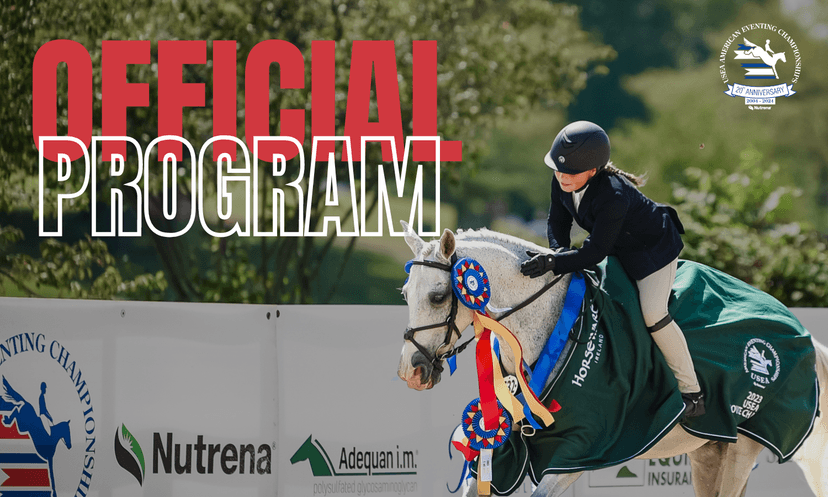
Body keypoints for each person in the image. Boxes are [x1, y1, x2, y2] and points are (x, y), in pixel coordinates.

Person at [520, 120, 704, 418]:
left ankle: (692, 392)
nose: (562, 176)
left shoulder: (613, 195)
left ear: (593, 170)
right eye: (558, 169)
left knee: (653, 314)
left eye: (570, 172)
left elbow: (595, 252)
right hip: (616, 246)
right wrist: (557, 252)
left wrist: (554, 263)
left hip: (652, 252)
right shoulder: (562, 179)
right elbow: (557, 221)